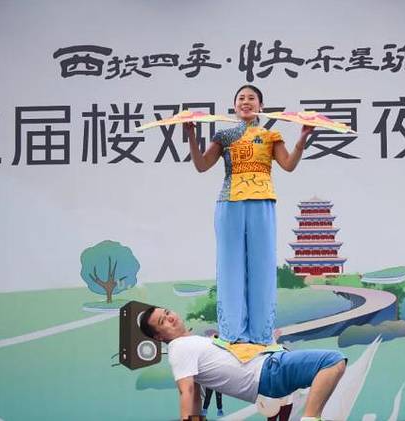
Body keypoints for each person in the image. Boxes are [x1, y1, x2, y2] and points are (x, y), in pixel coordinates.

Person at [183, 85, 314, 345]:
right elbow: (202, 165)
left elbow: (288, 165)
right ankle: (232, 333)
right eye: (241, 98)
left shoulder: (271, 136)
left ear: (260, 106)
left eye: (251, 98)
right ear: (234, 106)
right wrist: (191, 136)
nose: (246, 102)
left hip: (262, 202)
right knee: (230, 265)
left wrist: (302, 140)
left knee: (262, 266)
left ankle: (261, 334)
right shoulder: (224, 136)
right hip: (229, 203)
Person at [139, 306, 346, 421]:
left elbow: (194, 394)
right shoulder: (179, 347)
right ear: (158, 337)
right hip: (268, 372)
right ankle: (310, 418)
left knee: (324, 368)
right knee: (331, 361)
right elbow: (186, 391)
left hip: (267, 372)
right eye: (162, 321)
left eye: (167, 313)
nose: (170, 318)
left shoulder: (191, 343)